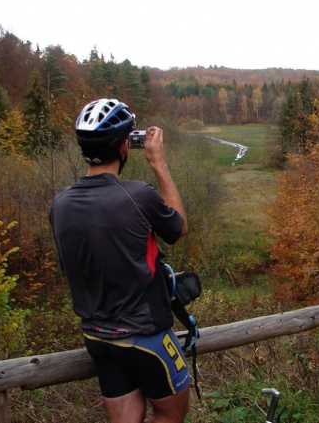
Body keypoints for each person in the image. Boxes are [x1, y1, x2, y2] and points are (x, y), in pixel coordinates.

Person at [50, 98, 190, 423]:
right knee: (171, 415)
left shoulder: (60, 204)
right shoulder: (138, 195)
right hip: (146, 337)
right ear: (126, 146)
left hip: (97, 338)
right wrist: (159, 164)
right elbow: (178, 227)